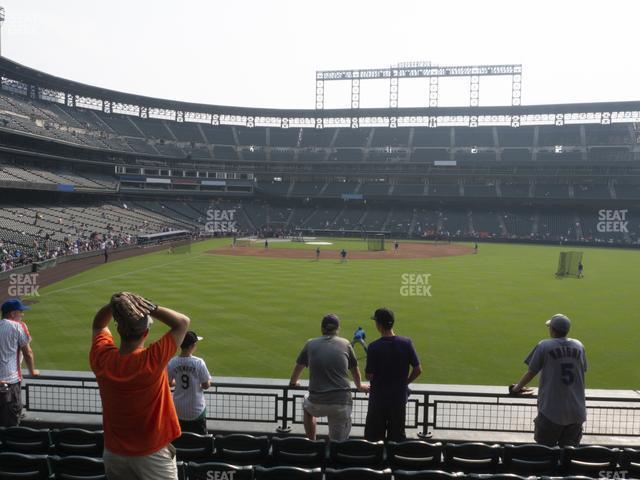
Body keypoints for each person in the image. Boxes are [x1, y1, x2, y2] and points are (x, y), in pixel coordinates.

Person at [90, 292, 190, 479]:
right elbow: (182, 322)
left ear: (118, 330)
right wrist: (148, 306)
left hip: (114, 453)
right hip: (153, 454)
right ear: (146, 332)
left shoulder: (102, 358)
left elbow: (98, 325)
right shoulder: (151, 360)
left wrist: (115, 306)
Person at [509, 313, 587, 447]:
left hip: (551, 411)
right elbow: (583, 369)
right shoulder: (579, 346)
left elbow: (531, 372)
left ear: (553, 330)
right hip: (576, 412)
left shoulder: (544, 345)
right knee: (569, 455)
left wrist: (516, 388)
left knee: (545, 452)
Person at [289, 313, 368, 441]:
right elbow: (355, 370)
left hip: (316, 401)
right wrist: (359, 386)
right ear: (338, 329)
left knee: (307, 407)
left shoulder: (310, 344)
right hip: (341, 402)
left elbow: (299, 366)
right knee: (337, 444)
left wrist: (293, 382)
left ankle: (313, 442)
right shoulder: (346, 343)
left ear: (322, 328)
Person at [364, 307, 422, 441]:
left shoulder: (373, 347)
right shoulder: (406, 343)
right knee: (396, 440)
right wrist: (405, 382)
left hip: (378, 400)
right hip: (398, 400)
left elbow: (369, 375)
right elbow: (418, 369)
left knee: (374, 440)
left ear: (378, 325)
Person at [0, 299, 39, 427]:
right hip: (10, 382)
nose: (22, 315)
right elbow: (28, 352)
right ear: (12, 314)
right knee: (11, 422)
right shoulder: (18, 326)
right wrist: (32, 371)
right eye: (20, 312)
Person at [168, 331, 212, 435]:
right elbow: (206, 385)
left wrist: (177, 382)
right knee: (200, 439)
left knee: (181, 438)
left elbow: (169, 383)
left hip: (178, 409)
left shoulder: (172, 362)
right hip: (196, 409)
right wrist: (209, 381)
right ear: (192, 346)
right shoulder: (198, 362)